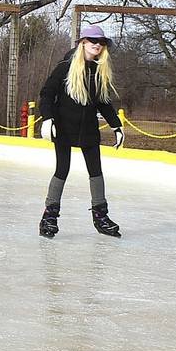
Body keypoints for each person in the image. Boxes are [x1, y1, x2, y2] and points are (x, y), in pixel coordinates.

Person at [36, 25, 125, 239]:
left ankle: (100, 217)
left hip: (88, 131)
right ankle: (49, 216)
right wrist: (47, 118)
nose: (97, 45)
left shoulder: (99, 70)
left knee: (96, 172)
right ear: (83, 42)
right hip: (64, 128)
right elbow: (46, 94)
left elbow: (103, 102)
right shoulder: (65, 67)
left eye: (101, 42)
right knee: (62, 169)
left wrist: (116, 125)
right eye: (92, 40)